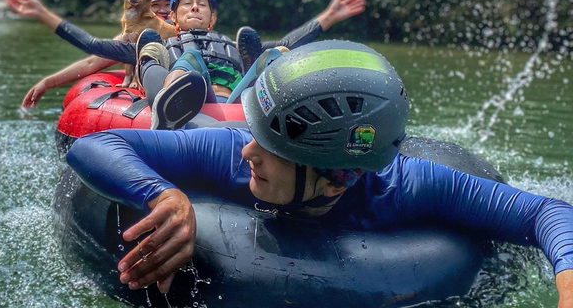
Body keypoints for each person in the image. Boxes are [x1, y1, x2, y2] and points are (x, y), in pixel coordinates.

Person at [65, 41, 573, 306]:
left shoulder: (407, 185)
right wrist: (161, 195)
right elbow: (93, 146)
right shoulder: (229, 149)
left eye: (270, 149)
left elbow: (545, 212)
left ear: (336, 176)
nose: (248, 155)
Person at [6, 0, 366, 128]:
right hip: (193, 102)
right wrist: (43, 14)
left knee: (272, 56)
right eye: (186, 5)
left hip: (240, 104)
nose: (194, 8)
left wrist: (328, 17)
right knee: (176, 56)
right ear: (173, 17)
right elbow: (94, 48)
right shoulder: (163, 42)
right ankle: (168, 106)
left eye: (202, 5)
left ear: (213, 17)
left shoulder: (233, 43)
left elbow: (287, 41)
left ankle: (285, 112)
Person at [17, 0, 177, 108]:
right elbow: (91, 62)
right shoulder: (131, 37)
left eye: (168, 4)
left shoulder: (185, 32)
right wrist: (48, 82)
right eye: (156, 5)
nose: (162, 10)